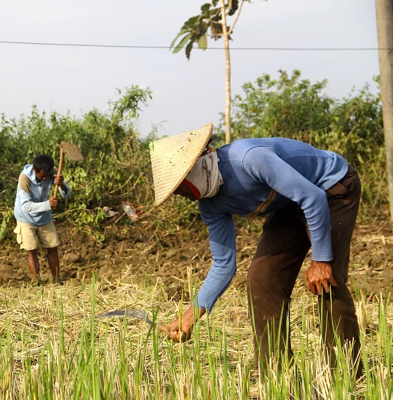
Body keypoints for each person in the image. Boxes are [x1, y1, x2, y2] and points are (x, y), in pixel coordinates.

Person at [150, 123, 363, 377]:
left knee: (328, 281)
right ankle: (277, 375)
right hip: (289, 200)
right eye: (178, 193)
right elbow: (223, 266)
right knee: (262, 279)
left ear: (199, 162)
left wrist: (321, 260)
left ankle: (346, 375)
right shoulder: (210, 204)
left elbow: (312, 197)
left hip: (330, 188)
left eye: (182, 187)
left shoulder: (249, 159)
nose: (185, 195)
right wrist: (189, 317)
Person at [14, 154, 71, 284]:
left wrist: (61, 185)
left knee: (52, 247)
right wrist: (48, 205)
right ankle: (36, 281)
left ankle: (57, 281)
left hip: (44, 217)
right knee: (31, 250)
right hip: (26, 218)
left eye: (47, 176)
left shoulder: (54, 173)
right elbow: (25, 206)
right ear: (35, 170)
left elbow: (67, 195)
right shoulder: (25, 178)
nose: (45, 178)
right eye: (42, 176)